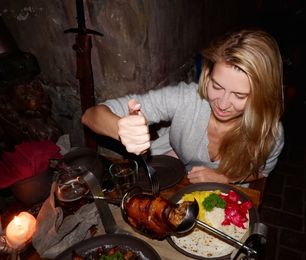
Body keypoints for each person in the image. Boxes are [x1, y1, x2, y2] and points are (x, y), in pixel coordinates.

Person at [81, 28, 284, 186]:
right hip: (172, 178)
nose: (222, 104)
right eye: (216, 86)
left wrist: (224, 178)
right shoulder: (187, 97)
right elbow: (91, 115)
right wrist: (120, 128)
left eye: (239, 95)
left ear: (262, 96)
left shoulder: (271, 133)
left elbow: (262, 172)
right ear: (207, 75)